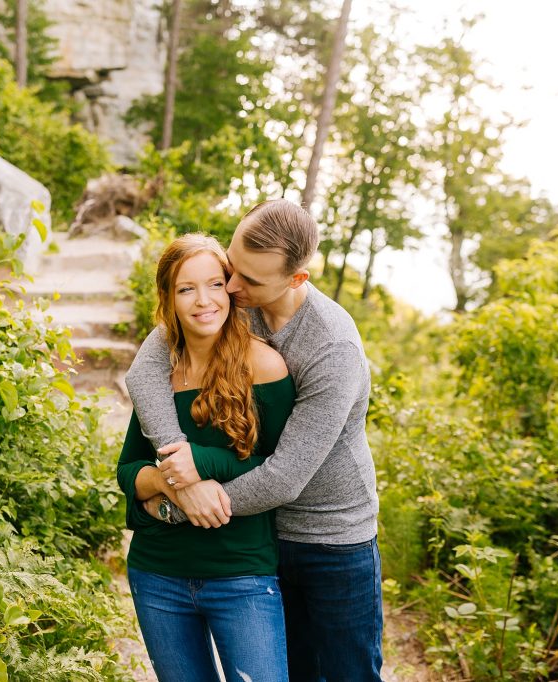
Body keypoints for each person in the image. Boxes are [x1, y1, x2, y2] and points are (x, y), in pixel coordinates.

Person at [125, 199, 383, 682]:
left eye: (251, 281)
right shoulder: (230, 304)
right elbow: (145, 369)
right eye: (232, 268)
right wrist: (173, 454)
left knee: (348, 673)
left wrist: (181, 500)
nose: (233, 288)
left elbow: (284, 477)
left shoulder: (332, 348)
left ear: (296, 280)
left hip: (330, 538)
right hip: (260, 538)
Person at [116, 233, 296, 682]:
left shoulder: (265, 367)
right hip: (158, 574)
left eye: (215, 284)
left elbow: (282, 468)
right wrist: (170, 484)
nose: (203, 301)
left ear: (231, 288)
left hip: (242, 577)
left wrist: (202, 463)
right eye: (186, 289)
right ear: (169, 299)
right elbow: (129, 470)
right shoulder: (158, 375)